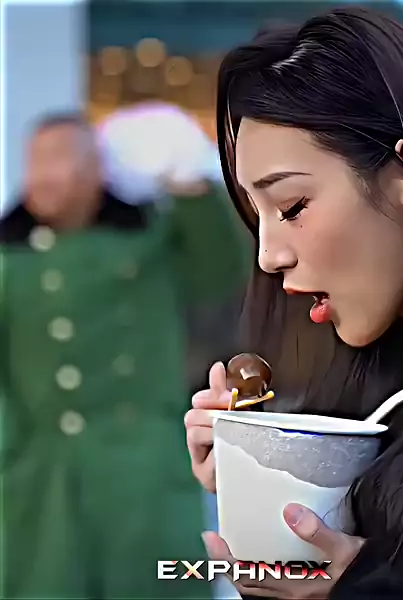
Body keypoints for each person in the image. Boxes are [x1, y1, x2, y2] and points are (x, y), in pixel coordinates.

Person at [185, 7, 403, 600]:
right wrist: (266, 495)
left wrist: (366, 589)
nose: (268, 256)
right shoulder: (376, 387)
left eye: (292, 206)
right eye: (256, 215)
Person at [1, 111, 249, 598]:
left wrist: (187, 183)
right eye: (35, 161)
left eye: (61, 158)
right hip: (42, 476)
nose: (43, 175)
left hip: (142, 468)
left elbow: (220, 269)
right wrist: (9, 455)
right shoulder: (10, 259)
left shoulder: (149, 242)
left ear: (98, 170)